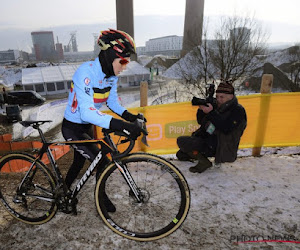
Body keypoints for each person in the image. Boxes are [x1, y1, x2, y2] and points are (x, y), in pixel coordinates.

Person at [61, 29, 146, 212]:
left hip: (87, 127)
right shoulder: (85, 73)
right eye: (123, 61)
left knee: (79, 162)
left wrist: (130, 117)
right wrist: (121, 125)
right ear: (110, 55)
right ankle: (101, 199)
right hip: (72, 128)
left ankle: (63, 191)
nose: (124, 66)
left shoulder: (111, 76)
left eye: (127, 62)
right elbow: (87, 113)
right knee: (101, 163)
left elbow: (112, 102)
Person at [176, 80, 247, 173]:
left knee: (182, 141)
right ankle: (199, 155)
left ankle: (204, 162)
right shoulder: (217, 105)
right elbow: (201, 121)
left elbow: (226, 128)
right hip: (209, 139)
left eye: (222, 97)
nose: (219, 99)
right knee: (181, 154)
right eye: (217, 96)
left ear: (231, 96)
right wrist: (202, 110)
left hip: (222, 145)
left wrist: (211, 113)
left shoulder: (238, 110)